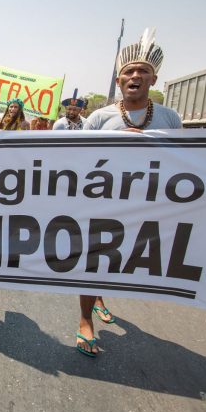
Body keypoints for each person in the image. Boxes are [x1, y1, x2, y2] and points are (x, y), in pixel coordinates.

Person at [76, 28, 182, 357]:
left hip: (145, 208)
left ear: (154, 79)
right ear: (120, 81)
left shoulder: (169, 119)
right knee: (93, 263)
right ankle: (84, 320)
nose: (135, 76)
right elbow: (72, 161)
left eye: (142, 72)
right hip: (102, 206)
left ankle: (99, 296)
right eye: (128, 72)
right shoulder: (98, 118)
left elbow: (191, 163)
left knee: (118, 263)